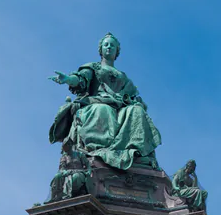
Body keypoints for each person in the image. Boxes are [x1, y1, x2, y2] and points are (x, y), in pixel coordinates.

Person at [48, 33, 162, 170]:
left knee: (137, 111)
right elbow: (80, 79)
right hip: (97, 102)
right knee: (103, 110)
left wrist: (137, 103)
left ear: (117, 52)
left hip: (120, 105)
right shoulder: (93, 68)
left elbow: (131, 95)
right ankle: (98, 150)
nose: (109, 47)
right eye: (106, 44)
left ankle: (135, 152)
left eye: (112, 45)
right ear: (100, 50)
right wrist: (67, 79)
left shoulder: (122, 76)